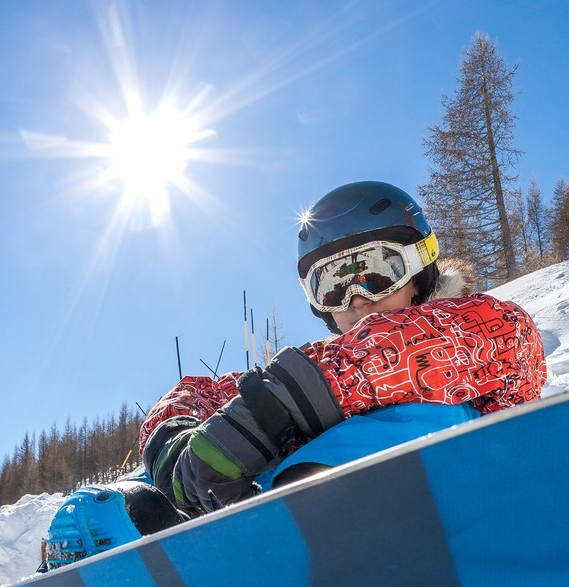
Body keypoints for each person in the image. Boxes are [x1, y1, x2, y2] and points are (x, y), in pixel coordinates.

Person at [138, 179, 546, 516]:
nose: (356, 299)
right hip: (297, 556)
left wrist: (281, 407)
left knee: (410, 420)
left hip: (457, 513)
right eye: (332, 284)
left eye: (377, 272)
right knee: (141, 499)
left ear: (419, 273)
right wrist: (173, 442)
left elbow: (511, 337)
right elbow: (199, 393)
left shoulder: (482, 330)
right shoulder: (314, 368)